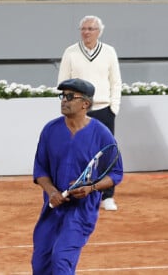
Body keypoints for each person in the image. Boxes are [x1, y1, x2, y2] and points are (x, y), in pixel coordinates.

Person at [31, 78, 123, 275]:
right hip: (53, 207)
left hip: (81, 211)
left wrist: (91, 188)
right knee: (40, 264)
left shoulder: (101, 134)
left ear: (85, 104)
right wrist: (52, 191)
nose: (64, 100)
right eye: (62, 96)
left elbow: (115, 174)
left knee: (61, 259)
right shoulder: (50, 130)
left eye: (70, 96)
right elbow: (40, 170)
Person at [57, 15, 122, 211]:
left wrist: (114, 108)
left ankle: (107, 196)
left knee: (106, 154)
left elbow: (116, 82)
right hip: (78, 111)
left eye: (91, 29)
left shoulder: (109, 52)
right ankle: (74, 193)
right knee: (76, 152)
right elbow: (63, 83)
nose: (86, 32)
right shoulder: (70, 52)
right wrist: (69, 108)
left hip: (104, 109)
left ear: (99, 32)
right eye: (83, 28)